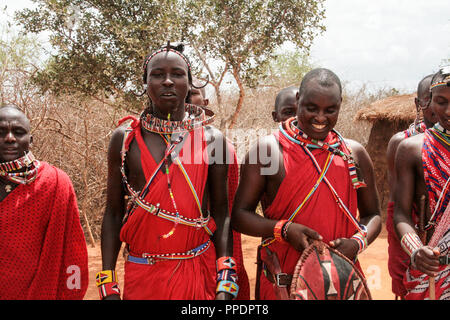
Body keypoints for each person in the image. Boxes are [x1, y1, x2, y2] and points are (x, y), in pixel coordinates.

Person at [99, 43, 237, 300]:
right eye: (157, 74)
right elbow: (113, 212)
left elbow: (221, 213)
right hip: (142, 274)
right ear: (145, 82)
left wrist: (226, 280)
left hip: (198, 271)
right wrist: (107, 284)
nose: (168, 81)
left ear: (189, 81)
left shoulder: (213, 140)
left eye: (177, 74)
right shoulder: (125, 139)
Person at [232, 68, 382, 300]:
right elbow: (240, 216)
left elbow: (373, 215)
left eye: (330, 110)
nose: (320, 118)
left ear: (340, 104)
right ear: (298, 100)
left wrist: (356, 243)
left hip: (343, 283)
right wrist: (284, 230)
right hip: (283, 285)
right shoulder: (268, 151)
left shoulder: (354, 153)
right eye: (311, 108)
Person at [0, 104, 89, 300]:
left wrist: (71, 294)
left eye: (18, 132)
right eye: (1, 132)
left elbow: (72, 250)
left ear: (30, 140)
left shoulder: (55, 182)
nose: (9, 138)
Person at [187, 77, 250, 299]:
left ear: (204, 102)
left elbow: (226, 209)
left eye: (192, 92)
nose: (185, 94)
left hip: (216, 243)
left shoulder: (218, 145)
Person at [393, 66, 450, 300]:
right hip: (434, 266)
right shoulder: (411, 149)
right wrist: (416, 250)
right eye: (441, 101)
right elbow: (401, 215)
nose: (448, 110)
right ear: (430, 103)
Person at [385, 74, 437, 299]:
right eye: (430, 100)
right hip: (415, 237)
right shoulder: (403, 144)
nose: (436, 108)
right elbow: (397, 209)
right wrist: (411, 248)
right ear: (418, 104)